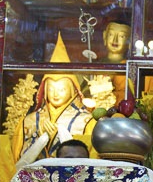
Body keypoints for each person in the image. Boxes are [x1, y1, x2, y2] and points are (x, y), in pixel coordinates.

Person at [11, 35, 93, 169]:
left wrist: (59, 134)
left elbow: (90, 160)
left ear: (72, 90)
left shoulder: (87, 121)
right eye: (51, 89)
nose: (55, 94)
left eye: (62, 89)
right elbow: (17, 161)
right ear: (44, 90)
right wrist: (41, 139)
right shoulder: (29, 121)